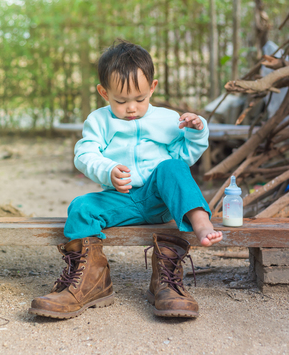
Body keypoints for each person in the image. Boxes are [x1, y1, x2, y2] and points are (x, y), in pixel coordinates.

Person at [29, 39, 223, 320]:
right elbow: (85, 154)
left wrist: (195, 132)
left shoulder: (167, 119)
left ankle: (200, 223)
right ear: (103, 93)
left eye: (140, 99)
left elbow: (184, 156)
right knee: (81, 207)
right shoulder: (99, 121)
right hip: (120, 200)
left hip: (159, 200)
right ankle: (91, 280)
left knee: (172, 167)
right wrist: (107, 170)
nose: (131, 108)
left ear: (152, 88)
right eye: (121, 101)